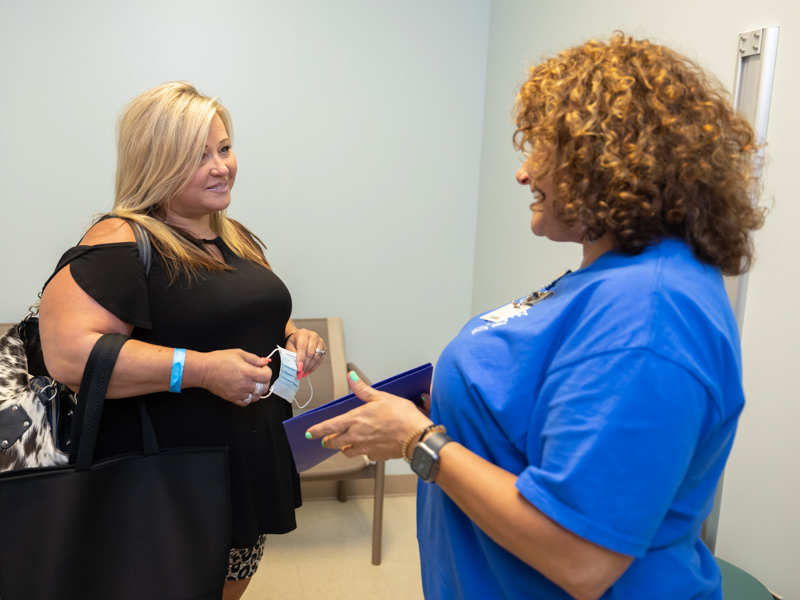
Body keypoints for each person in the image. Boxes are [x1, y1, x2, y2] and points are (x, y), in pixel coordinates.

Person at [307, 34, 766, 600]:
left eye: (543, 150)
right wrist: (452, 408)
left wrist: (418, 442)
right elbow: (547, 402)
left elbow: (581, 558)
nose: (524, 173)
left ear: (608, 161)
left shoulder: (650, 313)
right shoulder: (610, 277)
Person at [38, 81, 327, 600]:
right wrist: (202, 370)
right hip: (167, 480)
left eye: (224, 148)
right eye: (198, 157)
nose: (222, 167)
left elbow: (229, 317)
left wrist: (293, 336)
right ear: (156, 164)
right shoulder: (119, 242)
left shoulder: (230, 233)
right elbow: (69, 355)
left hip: (244, 464)